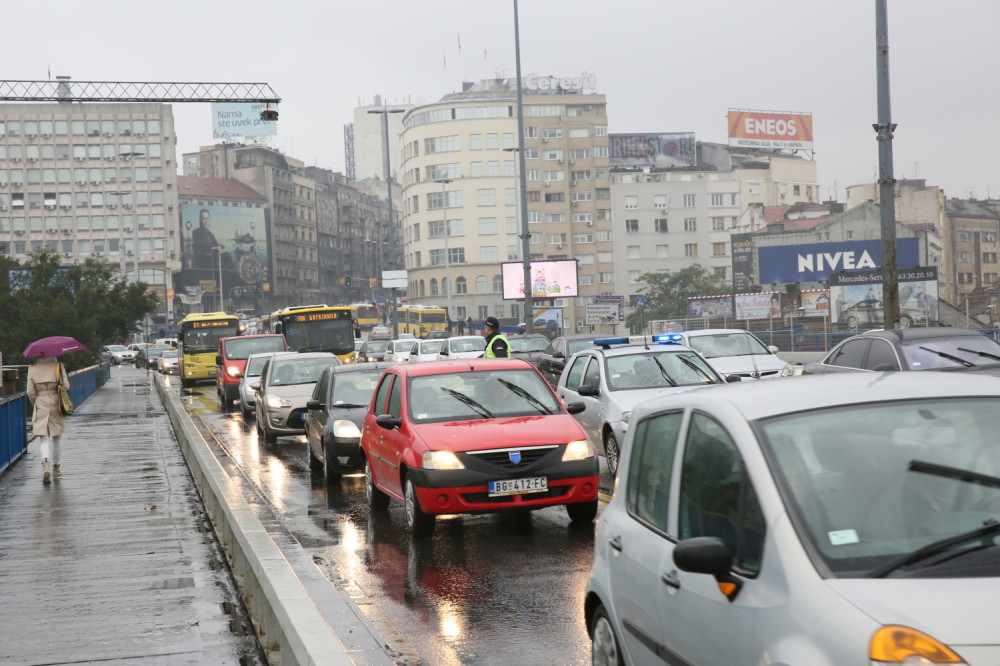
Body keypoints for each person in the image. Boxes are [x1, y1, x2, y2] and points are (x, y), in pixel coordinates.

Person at [26, 355, 70, 483]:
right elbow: (66, 386)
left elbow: (30, 392)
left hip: (41, 402)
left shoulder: (32, 369)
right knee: (56, 436)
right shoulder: (58, 366)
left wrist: (36, 402)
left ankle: (46, 465)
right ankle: (56, 468)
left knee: (43, 437)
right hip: (56, 402)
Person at [192, 208, 224, 273]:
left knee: (226, 256)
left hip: (213, 262)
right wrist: (216, 242)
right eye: (204, 218)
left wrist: (220, 255)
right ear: (200, 220)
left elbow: (215, 250)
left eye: (207, 218)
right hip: (203, 263)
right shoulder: (196, 232)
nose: (206, 221)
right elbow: (201, 245)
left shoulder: (211, 235)